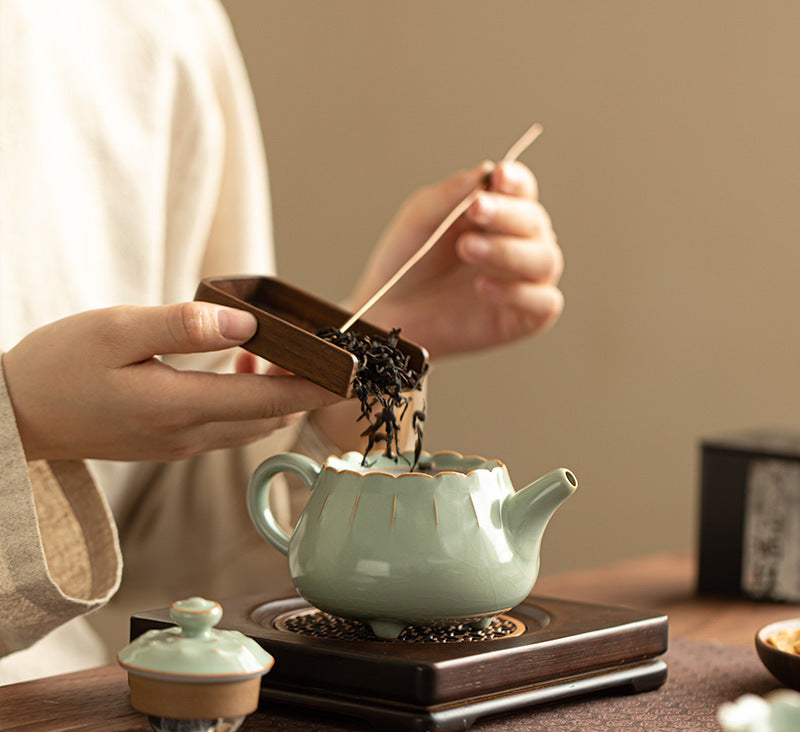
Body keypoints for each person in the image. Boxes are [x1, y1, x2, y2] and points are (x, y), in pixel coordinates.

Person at [0, 0, 564, 682]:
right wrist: (20, 426)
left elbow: (162, 546)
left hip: (68, 706)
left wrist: (347, 380)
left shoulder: (158, 24)